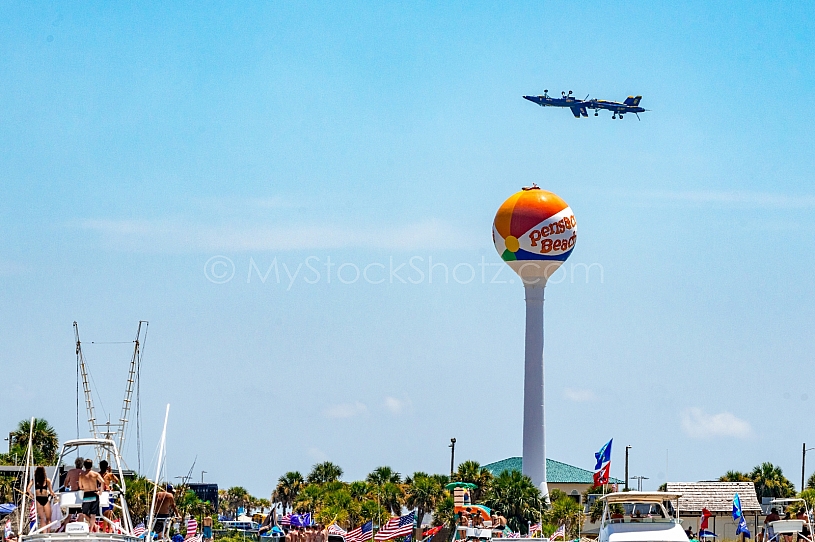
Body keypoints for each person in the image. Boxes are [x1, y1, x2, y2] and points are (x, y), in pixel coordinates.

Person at [27, 466, 57, 532]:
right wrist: (55, 496)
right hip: (45, 499)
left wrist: (32, 495)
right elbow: (51, 491)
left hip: (38, 499)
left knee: (42, 518)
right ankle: (48, 533)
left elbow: (28, 489)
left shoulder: (34, 480)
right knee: (48, 518)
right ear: (44, 472)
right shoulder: (47, 480)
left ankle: (44, 533)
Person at [78, 459, 105, 532]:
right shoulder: (95, 474)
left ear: (84, 466)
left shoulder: (81, 475)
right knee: (93, 514)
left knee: (83, 513)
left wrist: (84, 487)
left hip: (86, 494)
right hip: (94, 494)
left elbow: (80, 486)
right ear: (92, 465)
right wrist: (100, 492)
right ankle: (91, 529)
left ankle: (93, 527)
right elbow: (102, 482)